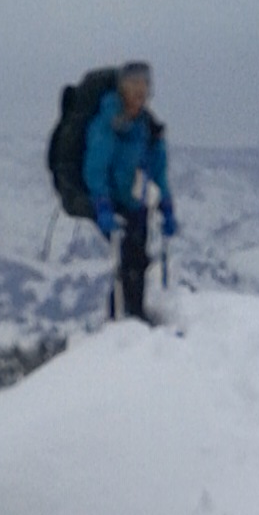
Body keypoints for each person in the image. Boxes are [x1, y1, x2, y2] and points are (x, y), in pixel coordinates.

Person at [83, 60, 177, 320]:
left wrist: (166, 205)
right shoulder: (108, 123)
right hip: (115, 204)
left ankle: (132, 316)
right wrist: (101, 204)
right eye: (133, 85)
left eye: (143, 85)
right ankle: (124, 320)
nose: (139, 92)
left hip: (137, 203)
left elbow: (158, 171)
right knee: (128, 263)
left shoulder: (148, 128)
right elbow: (96, 168)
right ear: (122, 89)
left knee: (138, 260)